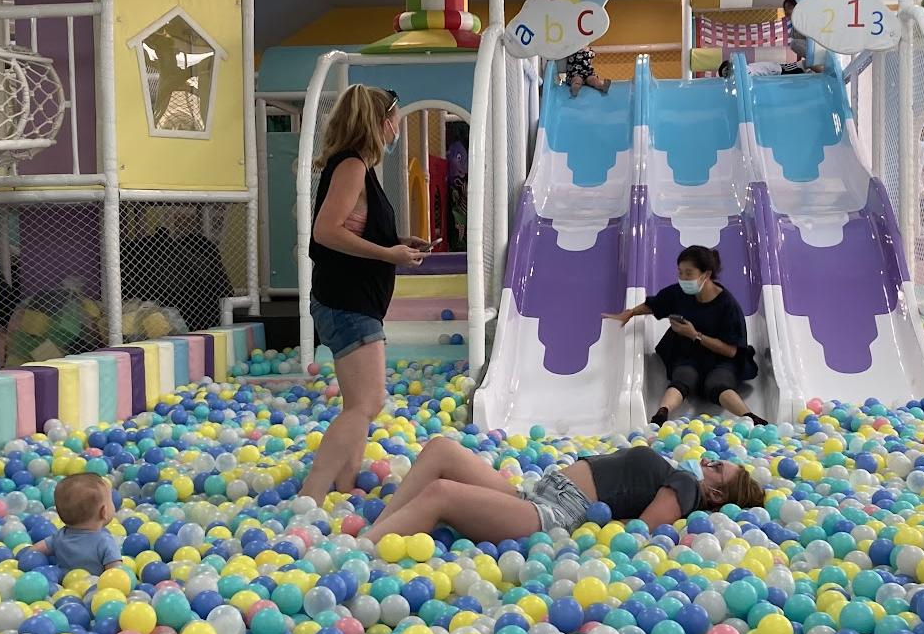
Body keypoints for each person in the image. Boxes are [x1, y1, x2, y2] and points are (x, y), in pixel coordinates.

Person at [302, 84, 430, 502]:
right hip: (347, 303)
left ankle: (344, 487)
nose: (396, 128)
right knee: (368, 401)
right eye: (394, 119)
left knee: (358, 402)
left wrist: (398, 241)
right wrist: (388, 254)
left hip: (350, 302)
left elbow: (352, 226)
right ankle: (313, 493)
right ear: (381, 123)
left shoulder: (357, 167)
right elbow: (325, 231)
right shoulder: (352, 166)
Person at [359, 437, 766, 543]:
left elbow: (645, 527)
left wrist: (590, 525)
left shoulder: (685, 484)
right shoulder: (681, 477)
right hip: (536, 494)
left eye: (717, 469)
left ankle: (360, 551)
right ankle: (383, 526)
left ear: (715, 495)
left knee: (442, 494)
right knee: (441, 450)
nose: (708, 462)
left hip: (555, 515)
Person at [605, 245, 762, 427]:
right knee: (683, 378)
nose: (683, 278)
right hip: (687, 355)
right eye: (680, 272)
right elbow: (655, 304)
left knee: (717, 384)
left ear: (706, 274)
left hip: (720, 360)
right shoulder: (680, 293)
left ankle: (751, 418)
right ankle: (661, 415)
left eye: (689, 273)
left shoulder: (728, 306)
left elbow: (731, 351)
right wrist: (630, 313)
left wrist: (695, 335)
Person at [32, 472, 124, 576]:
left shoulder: (61, 535)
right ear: (104, 512)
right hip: (94, 588)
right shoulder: (105, 542)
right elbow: (116, 573)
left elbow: (35, 550)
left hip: (63, 585)